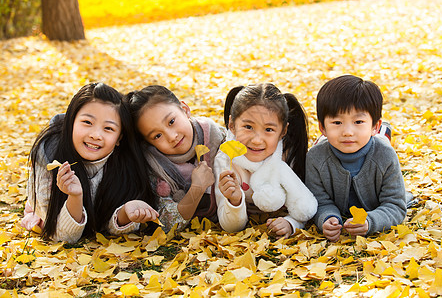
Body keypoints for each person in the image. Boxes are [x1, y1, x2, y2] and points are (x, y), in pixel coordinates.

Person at [21, 83, 159, 243]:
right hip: (51, 213)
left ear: (119, 139)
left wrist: (126, 213)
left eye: (108, 128)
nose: (96, 135)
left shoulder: (125, 164)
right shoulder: (48, 160)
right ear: (71, 122)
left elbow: (106, 227)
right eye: (87, 122)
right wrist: (75, 197)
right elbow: (63, 236)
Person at [305, 75, 407, 242]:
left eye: (358, 121)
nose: (348, 132)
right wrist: (326, 217)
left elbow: (395, 205)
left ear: (375, 126)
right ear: (322, 127)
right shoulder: (315, 158)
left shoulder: (385, 156)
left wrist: (371, 222)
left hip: (374, 210)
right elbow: (318, 201)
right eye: (337, 123)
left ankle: (384, 134)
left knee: (382, 146)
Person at [214, 83, 317, 238]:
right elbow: (230, 227)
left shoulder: (286, 154)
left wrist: (291, 223)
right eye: (248, 126)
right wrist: (234, 201)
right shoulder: (226, 159)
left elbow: (302, 205)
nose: (257, 140)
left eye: (268, 130)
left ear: (283, 131)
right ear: (232, 125)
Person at [125, 85, 226, 232]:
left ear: (185, 109)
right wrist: (197, 188)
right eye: (157, 136)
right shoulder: (156, 167)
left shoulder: (217, 136)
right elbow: (166, 222)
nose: (172, 137)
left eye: (171, 122)